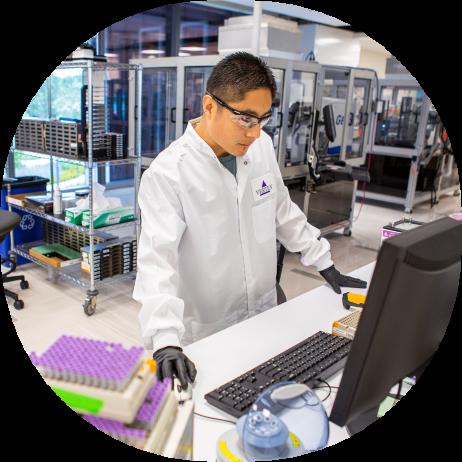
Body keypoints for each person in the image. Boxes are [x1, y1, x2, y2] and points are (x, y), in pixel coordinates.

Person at [133, 52, 367, 390]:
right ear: (209, 106)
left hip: (264, 315)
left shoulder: (261, 148)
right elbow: (157, 261)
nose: (255, 132)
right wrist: (166, 338)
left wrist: (324, 262)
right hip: (208, 333)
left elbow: (282, 212)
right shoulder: (169, 174)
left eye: (263, 119)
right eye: (245, 118)